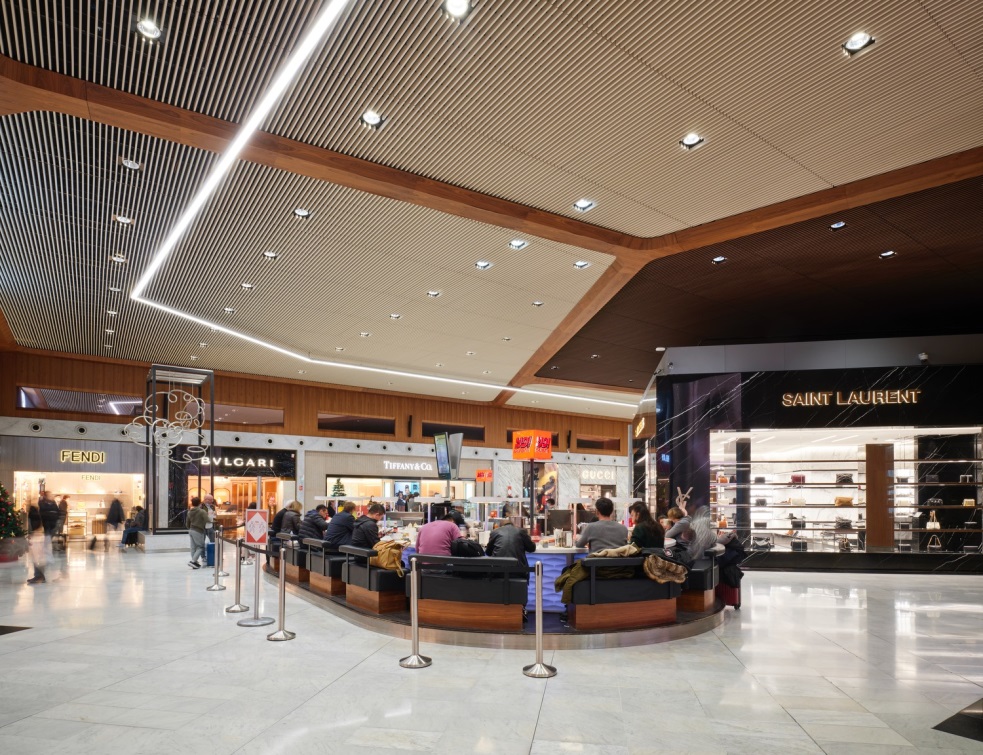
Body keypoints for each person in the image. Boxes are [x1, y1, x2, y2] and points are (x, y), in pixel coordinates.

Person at [187, 498, 209, 569]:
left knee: (193, 547)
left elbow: (187, 523)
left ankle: (195, 563)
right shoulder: (202, 511)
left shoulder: (189, 512)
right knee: (200, 546)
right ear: (200, 503)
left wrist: (189, 528)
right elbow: (207, 520)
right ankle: (193, 561)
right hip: (198, 530)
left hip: (191, 530)